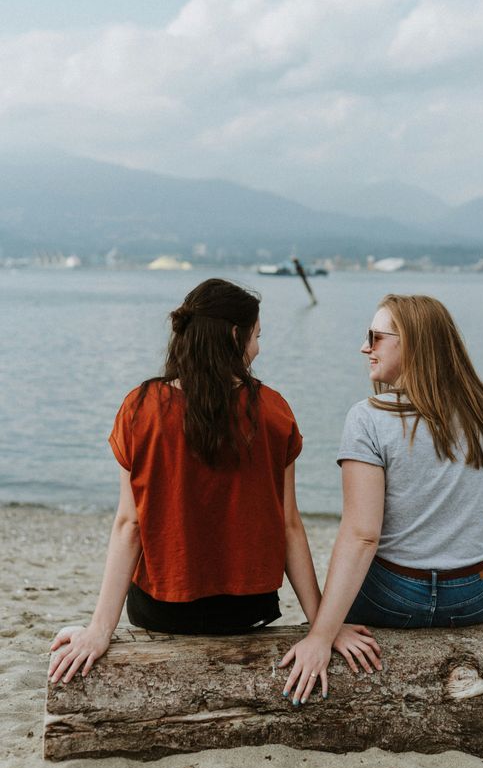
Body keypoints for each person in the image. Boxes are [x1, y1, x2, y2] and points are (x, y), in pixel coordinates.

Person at [49, 278, 380, 686]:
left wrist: (100, 629)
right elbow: (290, 525)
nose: (259, 348)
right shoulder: (273, 411)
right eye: (257, 336)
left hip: (161, 611)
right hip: (245, 612)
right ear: (235, 336)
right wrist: (322, 628)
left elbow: (129, 525)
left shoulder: (139, 409)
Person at [280, 294, 483, 703]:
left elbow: (362, 536)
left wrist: (320, 635)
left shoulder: (369, 418)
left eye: (375, 337)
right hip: (476, 597)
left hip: (393, 598)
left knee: (351, 561)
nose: (365, 347)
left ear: (410, 343)